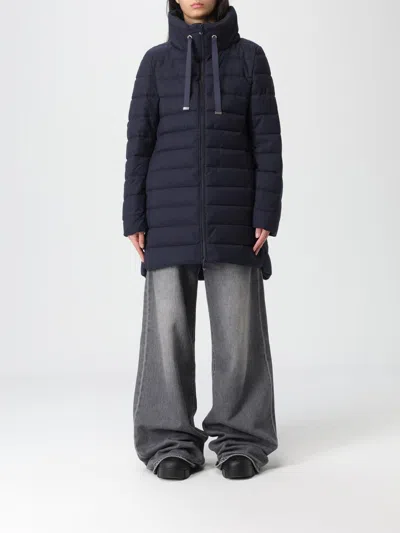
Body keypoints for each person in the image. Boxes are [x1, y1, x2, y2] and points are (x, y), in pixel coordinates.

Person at [122, 0, 283, 480]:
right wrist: (134, 216)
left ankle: (242, 440)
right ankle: (168, 440)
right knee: (166, 334)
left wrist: (266, 213)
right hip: (167, 216)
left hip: (234, 215)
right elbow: (138, 143)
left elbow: (268, 141)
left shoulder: (250, 58)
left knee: (239, 334)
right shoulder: (155, 62)